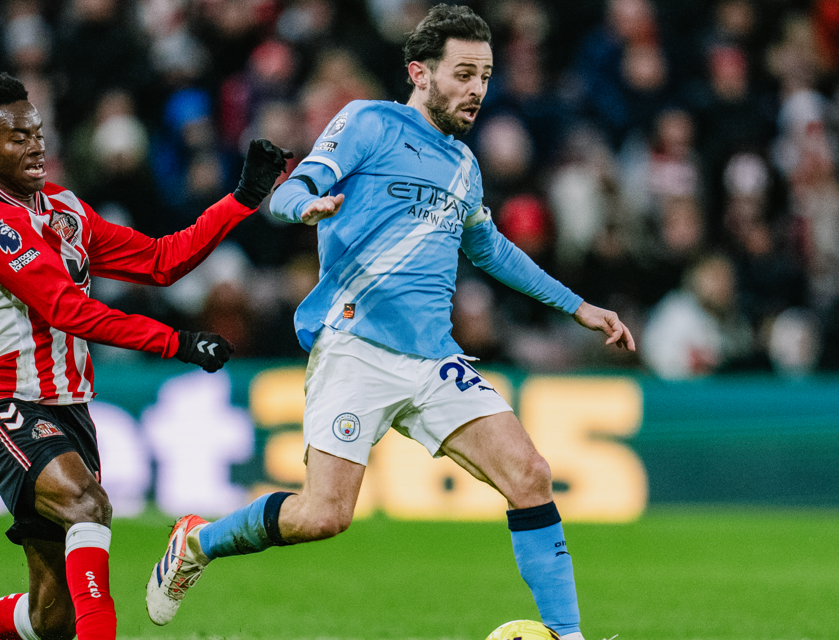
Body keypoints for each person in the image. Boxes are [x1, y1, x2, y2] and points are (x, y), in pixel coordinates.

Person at [145, 6, 635, 640]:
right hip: (355, 347)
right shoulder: (369, 123)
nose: (477, 90)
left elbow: (489, 250)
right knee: (323, 515)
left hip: (433, 359)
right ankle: (197, 542)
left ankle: (568, 636)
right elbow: (290, 189)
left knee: (531, 475)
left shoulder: (464, 165)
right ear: (420, 73)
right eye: (463, 74)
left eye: (485, 77)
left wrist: (578, 306)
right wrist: (305, 207)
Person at [0, 72, 290, 640]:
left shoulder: (64, 208)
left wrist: (242, 200)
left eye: (38, 132)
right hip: (6, 402)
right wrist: (176, 342)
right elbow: (65, 308)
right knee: (87, 505)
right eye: (17, 137)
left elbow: (160, 261)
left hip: (71, 408)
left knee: (52, 616)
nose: (35, 145)